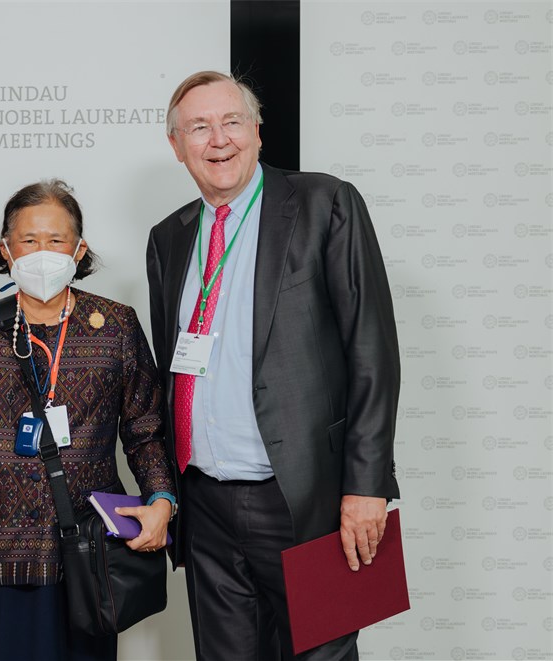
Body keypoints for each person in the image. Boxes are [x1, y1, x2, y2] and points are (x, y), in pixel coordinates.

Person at [146, 71, 401, 660]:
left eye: (231, 122)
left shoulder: (324, 202)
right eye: (199, 128)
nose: (218, 140)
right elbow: (170, 373)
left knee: (322, 654)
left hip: (305, 497)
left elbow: (372, 351)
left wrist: (367, 486)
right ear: (177, 146)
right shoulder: (170, 238)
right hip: (205, 505)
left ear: (257, 131)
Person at [0, 179, 176, 661]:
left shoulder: (115, 325)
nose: (44, 251)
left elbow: (145, 431)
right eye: (29, 240)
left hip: (84, 557)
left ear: (79, 249)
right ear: (6, 248)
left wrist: (162, 499)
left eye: (57, 240)